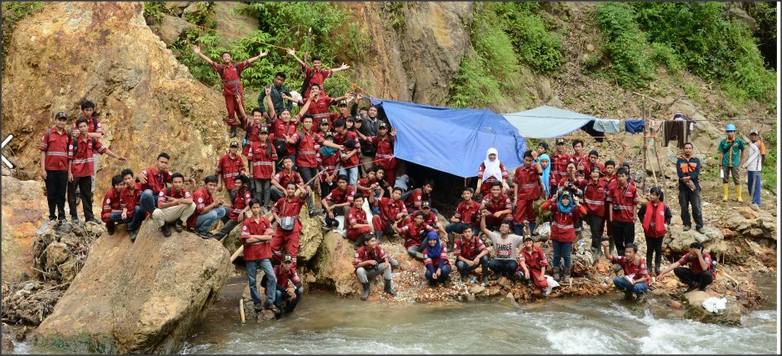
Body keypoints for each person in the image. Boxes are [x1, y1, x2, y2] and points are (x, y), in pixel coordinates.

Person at [193, 45, 268, 137]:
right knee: (230, 109)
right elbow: (210, 61)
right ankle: (233, 127)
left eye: (228, 56)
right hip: (228, 93)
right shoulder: (221, 69)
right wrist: (199, 53)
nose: (226, 58)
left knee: (240, 108)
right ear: (222, 59)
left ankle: (244, 123)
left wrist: (260, 56)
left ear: (231, 58)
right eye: (224, 57)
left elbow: (248, 61)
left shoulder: (237, 66)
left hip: (237, 91)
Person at [68, 117, 127, 223]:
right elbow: (69, 158)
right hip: (75, 172)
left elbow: (104, 149)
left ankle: (89, 217)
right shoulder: (74, 141)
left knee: (87, 195)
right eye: (80, 127)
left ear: (88, 127)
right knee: (72, 195)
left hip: (86, 172)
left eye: (84, 126)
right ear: (78, 128)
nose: (82, 129)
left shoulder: (93, 140)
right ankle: (74, 216)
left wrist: (117, 156)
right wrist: (69, 173)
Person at [289, 113, 341, 215]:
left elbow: (325, 142)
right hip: (303, 164)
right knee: (309, 184)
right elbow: (292, 140)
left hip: (313, 164)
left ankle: (300, 202)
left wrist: (338, 146)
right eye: (306, 122)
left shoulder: (314, 135)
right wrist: (289, 140)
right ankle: (311, 209)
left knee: (311, 186)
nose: (308, 124)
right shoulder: (299, 134)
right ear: (302, 123)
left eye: (310, 122)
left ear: (312, 124)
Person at [240, 198, 279, 314]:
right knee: (252, 281)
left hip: (264, 255)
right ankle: (256, 302)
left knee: (272, 277)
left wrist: (254, 237)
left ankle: (270, 301)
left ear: (261, 208)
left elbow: (270, 237)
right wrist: (262, 236)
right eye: (253, 207)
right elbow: (246, 241)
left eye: (258, 207)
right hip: (250, 256)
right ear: (250, 209)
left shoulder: (266, 221)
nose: (256, 209)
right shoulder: (246, 223)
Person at [541, 190, 586, 283]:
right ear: (561, 199)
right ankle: (556, 273)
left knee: (567, 256)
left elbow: (584, 212)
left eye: (567, 199)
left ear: (570, 200)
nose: (565, 201)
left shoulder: (573, 209)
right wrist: (552, 199)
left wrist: (577, 203)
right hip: (556, 236)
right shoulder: (556, 207)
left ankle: (567, 274)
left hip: (567, 237)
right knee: (556, 255)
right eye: (563, 199)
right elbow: (543, 207)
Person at [40, 112, 72, 222]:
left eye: (63, 120)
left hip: (63, 169)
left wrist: (69, 171)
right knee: (51, 193)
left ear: (66, 122)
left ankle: (62, 216)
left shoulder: (68, 135)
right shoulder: (48, 133)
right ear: (55, 120)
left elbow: (70, 155)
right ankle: (52, 215)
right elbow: (43, 152)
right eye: (59, 119)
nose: (61, 122)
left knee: (62, 194)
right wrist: (43, 169)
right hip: (50, 169)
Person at [271, 181, 312, 266]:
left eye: (292, 189)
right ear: (286, 189)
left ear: (295, 190)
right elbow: (274, 210)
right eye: (288, 188)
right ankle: (282, 263)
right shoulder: (281, 201)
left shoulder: (298, 201)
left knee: (292, 253)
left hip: (293, 228)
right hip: (281, 227)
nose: (290, 191)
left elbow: (304, 193)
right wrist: (277, 218)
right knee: (272, 247)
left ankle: (291, 273)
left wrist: (298, 185)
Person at [268, 89, 310, 167]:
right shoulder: (276, 122)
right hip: (279, 151)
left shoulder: (294, 123)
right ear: (280, 116)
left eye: (288, 114)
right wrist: (268, 96)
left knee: (291, 172)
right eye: (284, 114)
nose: (286, 115)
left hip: (291, 152)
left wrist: (310, 99)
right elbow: (271, 110)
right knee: (280, 172)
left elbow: (302, 111)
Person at [72, 101, 105, 197]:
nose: (89, 112)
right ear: (83, 110)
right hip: (80, 151)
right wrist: (90, 134)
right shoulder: (78, 122)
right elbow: (75, 135)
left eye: (91, 110)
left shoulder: (95, 122)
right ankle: (78, 193)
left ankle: (90, 193)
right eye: (87, 110)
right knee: (78, 172)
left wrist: (85, 133)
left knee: (92, 173)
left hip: (93, 151)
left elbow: (99, 135)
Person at [637, 187, 672, 276]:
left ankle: (657, 268)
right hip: (648, 231)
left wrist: (665, 224)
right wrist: (643, 222)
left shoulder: (664, 206)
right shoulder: (646, 205)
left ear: (658, 196)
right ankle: (648, 268)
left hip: (659, 232)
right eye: (651, 194)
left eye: (653, 195)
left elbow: (669, 216)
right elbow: (640, 214)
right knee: (649, 249)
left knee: (658, 249)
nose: (651, 196)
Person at [151, 172, 196, 237]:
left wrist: (176, 200)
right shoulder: (164, 191)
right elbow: (160, 205)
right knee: (156, 212)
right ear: (171, 183)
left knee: (192, 205)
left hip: (177, 213)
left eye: (180, 182)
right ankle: (164, 226)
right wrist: (172, 203)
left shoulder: (184, 191)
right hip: (167, 213)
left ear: (183, 183)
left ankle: (179, 222)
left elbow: (190, 200)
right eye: (175, 182)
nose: (178, 184)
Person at [606, 168, 639, 256]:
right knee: (618, 241)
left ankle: (628, 259)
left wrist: (634, 218)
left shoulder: (633, 189)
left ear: (627, 177)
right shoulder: (613, 189)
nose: (620, 178)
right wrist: (611, 218)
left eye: (622, 176)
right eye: (619, 176)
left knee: (629, 242)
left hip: (628, 219)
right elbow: (610, 203)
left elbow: (635, 204)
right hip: (617, 220)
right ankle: (620, 259)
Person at [353, 234, 397, 300]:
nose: (375, 243)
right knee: (359, 270)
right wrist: (367, 262)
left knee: (387, 265)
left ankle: (388, 288)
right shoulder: (360, 251)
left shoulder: (377, 247)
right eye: (372, 241)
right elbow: (355, 265)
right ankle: (366, 290)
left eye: (375, 241)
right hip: (365, 273)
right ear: (366, 243)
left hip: (374, 271)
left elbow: (385, 256)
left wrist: (387, 262)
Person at [480, 216, 523, 280]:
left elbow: (526, 238)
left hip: (510, 261)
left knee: (514, 266)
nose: (503, 228)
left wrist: (527, 228)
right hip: (498, 260)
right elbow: (483, 228)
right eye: (502, 226)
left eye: (506, 227)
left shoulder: (514, 237)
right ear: (499, 228)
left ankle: (510, 274)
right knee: (491, 264)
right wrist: (483, 217)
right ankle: (498, 273)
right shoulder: (495, 236)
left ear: (509, 230)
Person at [512, 150, 543, 236]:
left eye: (530, 160)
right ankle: (518, 236)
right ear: (523, 159)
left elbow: (540, 172)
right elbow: (516, 183)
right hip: (522, 197)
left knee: (532, 217)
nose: (528, 162)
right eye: (526, 160)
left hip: (533, 198)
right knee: (518, 217)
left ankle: (530, 236)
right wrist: (515, 198)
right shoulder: (519, 170)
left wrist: (536, 159)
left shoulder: (535, 168)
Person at [676, 143, 704, 233]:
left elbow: (696, 172)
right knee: (684, 207)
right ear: (683, 150)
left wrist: (689, 178)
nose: (688, 150)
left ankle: (699, 225)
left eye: (689, 148)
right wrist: (686, 179)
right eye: (686, 148)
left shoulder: (696, 160)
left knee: (696, 206)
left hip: (694, 187)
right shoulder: (679, 161)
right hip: (683, 187)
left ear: (692, 149)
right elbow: (679, 173)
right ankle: (687, 224)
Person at [214, 175, 253, 241]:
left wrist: (243, 211)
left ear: (243, 184)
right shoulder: (237, 192)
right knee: (220, 210)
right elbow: (234, 206)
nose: (236, 184)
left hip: (237, 217)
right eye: (235, 183)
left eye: (239, 183)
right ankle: (228, 226)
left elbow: (250, 204)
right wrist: (224, 204)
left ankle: (213, 239)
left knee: (223, 230)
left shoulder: (245, 193)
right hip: (233, 212)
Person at [358, 122, 397, 188]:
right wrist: (356, 131)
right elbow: (365, 138)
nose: (382, 131)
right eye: (380, 129)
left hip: (389, 166)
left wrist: (395, 136)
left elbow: (398, 147)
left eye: (384, 129)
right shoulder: (377, 138)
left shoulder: (391, 139)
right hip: (378, 165)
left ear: (387, 130)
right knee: (378, 182)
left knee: (390, 183)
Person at [247, 126, 277, 209]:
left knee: (267, 190)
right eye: (261, 134)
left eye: (265, 134)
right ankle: (258, 206)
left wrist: (273, 172)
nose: (263, 136)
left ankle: (265, 206)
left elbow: (273, 160)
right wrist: (251, 172)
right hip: (258, 172)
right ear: (258, 135)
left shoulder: (271, 146)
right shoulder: (254, 145)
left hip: (268, 172)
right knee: (258, 190)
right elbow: (251, 160)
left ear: (267, 135)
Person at [717, 123, 746, 202]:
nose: (730, 133)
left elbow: (743, 150)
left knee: (736, 179)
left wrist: (741, 161)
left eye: (731, 131)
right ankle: (726, 195)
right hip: (725, 162)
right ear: (726, 132)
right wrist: (720, 164)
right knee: (725, 179)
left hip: (735, 163)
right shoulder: (723, 142)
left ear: (734, 132)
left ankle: (739, 196)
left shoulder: (738, 141)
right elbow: (721, 153)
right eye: (728, 131)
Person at [583, 166, 608, 253]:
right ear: (590, 174)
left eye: (597, 172)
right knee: (576, 212)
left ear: (599, 174)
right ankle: (578, 232)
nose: (595, 174)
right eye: (593, 172)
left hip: (598, 212)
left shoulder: (604, 184)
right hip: (587, 210)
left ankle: (595, 249)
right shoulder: (585, 183)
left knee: (595, 232)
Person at [332, 118, 361, 187]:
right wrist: (342, 156)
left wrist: (348, 156)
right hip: (343, 163)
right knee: (342, 182)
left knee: (352, 183)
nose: (336, 129)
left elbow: (358, 147)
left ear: (342, 126)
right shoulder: (336, 136)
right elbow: (337, 148)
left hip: (353, 162)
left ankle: (352, 196)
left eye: (337, 127)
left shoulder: (353, 135)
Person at [119, 169, 146, 242]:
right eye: (125, 179)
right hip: (130, 212)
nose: (127, 181)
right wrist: (124, 212)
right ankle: (131, 221)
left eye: (129, 178)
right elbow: (123, 204)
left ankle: (131, 228)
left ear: (133, 178)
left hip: (141, 211)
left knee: (137, 209)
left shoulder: (141, 186)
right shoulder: (123, 191)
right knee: (113, 216)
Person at [316, 130, 341, 200]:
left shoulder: (336, 150)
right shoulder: (321, 150)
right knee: (324, 193)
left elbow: (338, 164)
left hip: (334, 176)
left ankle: (331, 209)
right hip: (324, 176)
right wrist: (326, 174)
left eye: (331, 139)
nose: (329, 141)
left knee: (333, 193)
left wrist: (333, 175)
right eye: (327, 139)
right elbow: (319, 164)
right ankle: (324, 209)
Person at [743, 129, 766, 207]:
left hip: (756, 168)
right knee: (750, 185)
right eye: (752, 135)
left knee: (756, 186)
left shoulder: (760, 144)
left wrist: (761, 166)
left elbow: (763, 155)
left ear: (757, 136)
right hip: (750, 168)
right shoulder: (750, 144)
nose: (753, 136)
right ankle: (753, 200)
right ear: (750, 136)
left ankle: (757, 203)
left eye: (755, 135)